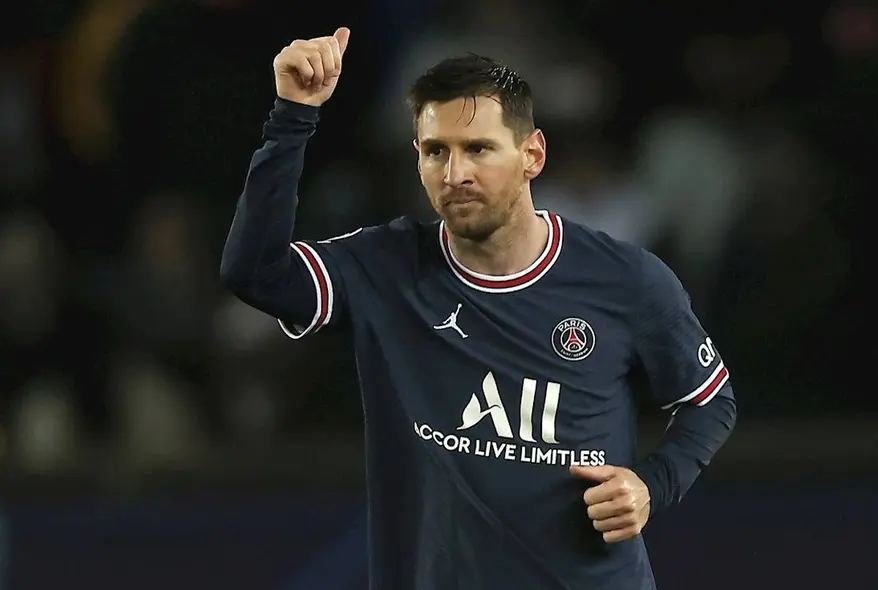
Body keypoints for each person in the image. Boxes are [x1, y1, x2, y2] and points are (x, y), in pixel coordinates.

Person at [221, 28, 737, 590]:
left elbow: (709, 402)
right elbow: (255, 273)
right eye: (435, 151)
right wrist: (293, 115)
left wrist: (650, 486)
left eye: (479, 149)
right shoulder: (386, 268)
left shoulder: (625, 280)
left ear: (532, 154)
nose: (455, 174)